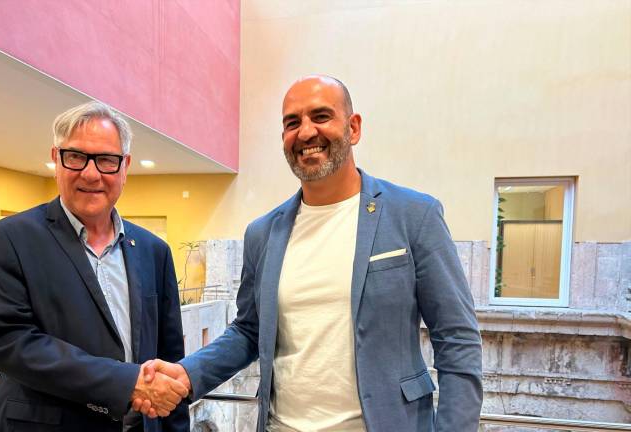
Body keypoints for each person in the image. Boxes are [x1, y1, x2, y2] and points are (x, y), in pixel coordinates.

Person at [137, 76, 483, 431]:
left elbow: (457, 338)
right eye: (292, 123)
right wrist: (187, 373)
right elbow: (248, 331)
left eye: (321, 116)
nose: (305, 133)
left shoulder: (414, 216)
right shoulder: (263, 233)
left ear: (354, 128)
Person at [0, 101, 189, 432]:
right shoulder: (8, 239)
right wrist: (126, 382)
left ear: (125, 166)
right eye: (76, 157)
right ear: (56, 158)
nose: (90, 174)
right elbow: (12, 344)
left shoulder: (153, 251)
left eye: (106, 160)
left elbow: (170, 360)